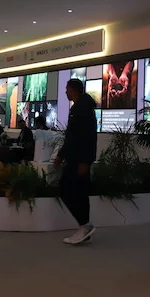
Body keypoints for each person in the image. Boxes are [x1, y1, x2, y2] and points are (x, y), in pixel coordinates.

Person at [54, 78, 97, 245]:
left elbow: (87, 136)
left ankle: (84, 225)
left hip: (78, 159)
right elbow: (72, 136)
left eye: (67, 89)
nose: (66, 92)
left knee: (66, 190)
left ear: (74, 90)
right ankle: (84, 227)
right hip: (76, 158)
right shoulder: (79, 108)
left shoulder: (82, 109)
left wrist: (84, 161)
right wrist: (61, 155)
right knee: (80, 192)